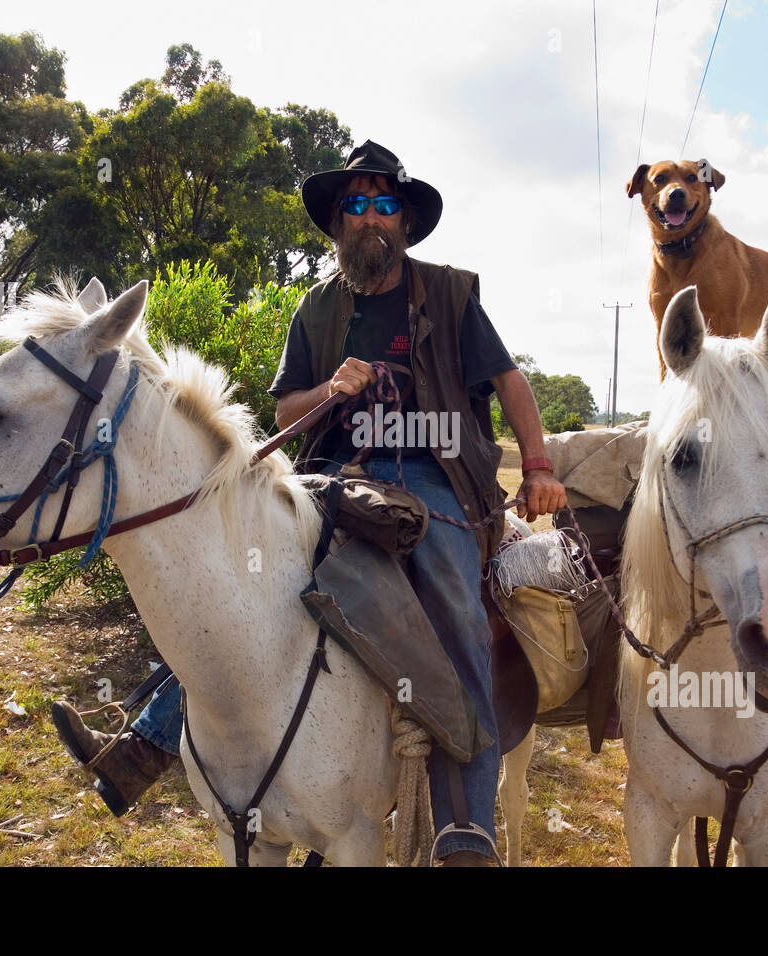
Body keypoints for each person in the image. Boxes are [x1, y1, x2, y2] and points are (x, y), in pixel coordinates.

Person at [52, 140, 567, 865]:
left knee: (455, 598)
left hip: (433, 475)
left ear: (405, 223)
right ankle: (145, 743)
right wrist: (330, 390)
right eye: (353, 205)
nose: (369, 218)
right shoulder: (319, 307)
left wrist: (539, 463)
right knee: (243, 591)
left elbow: (511, 382)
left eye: (384, 203)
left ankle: (465, 816)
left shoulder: (452, 295)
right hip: (330, 474)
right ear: (336, 225)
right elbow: (288, 403)